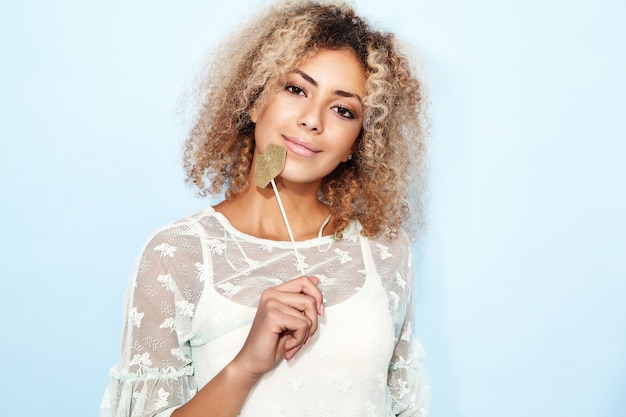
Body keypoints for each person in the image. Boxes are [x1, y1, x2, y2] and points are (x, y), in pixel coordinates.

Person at [99, 1, 430, 416]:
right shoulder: (177, 255)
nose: (312, 120)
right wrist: (246, 365)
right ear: (255, 101)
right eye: (296, 89)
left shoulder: (385, 249)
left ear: (357, 145)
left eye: (343, 110)